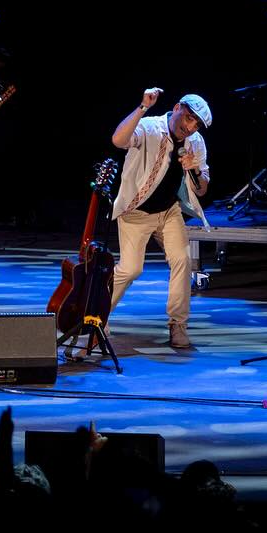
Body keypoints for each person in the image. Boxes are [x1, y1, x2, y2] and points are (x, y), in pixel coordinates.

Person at [107, 88, 212, 348]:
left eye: (196, 124)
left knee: (182, 261)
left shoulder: (195, 141)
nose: (190, 128)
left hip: (169, 211)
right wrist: (143, 106)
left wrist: (195, 168)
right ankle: (96, 315)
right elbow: (118, 140)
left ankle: (178, 325)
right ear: (177, 108)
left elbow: (202, 188)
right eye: (189, 119)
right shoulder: (150, 127)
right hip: (137, 213)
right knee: (131, 269)